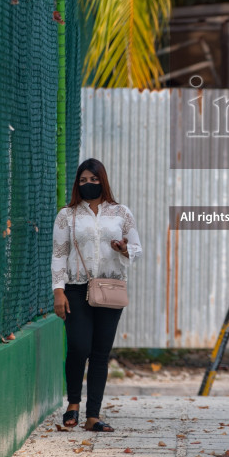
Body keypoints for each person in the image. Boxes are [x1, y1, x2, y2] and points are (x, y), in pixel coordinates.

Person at [52, 158, 142, 432]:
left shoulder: (121, 213)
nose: (89, 184)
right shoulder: (67, 215)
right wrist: (59, 291)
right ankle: (73, 404)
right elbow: (59, 255)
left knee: (101, 353)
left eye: (94, 179)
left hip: (110, 288)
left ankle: (93, 416)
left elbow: (137, 248)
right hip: (76, 289)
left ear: (103, 180)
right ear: (77, 183)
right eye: (83, 180)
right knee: (79, 347)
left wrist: (123, 248)